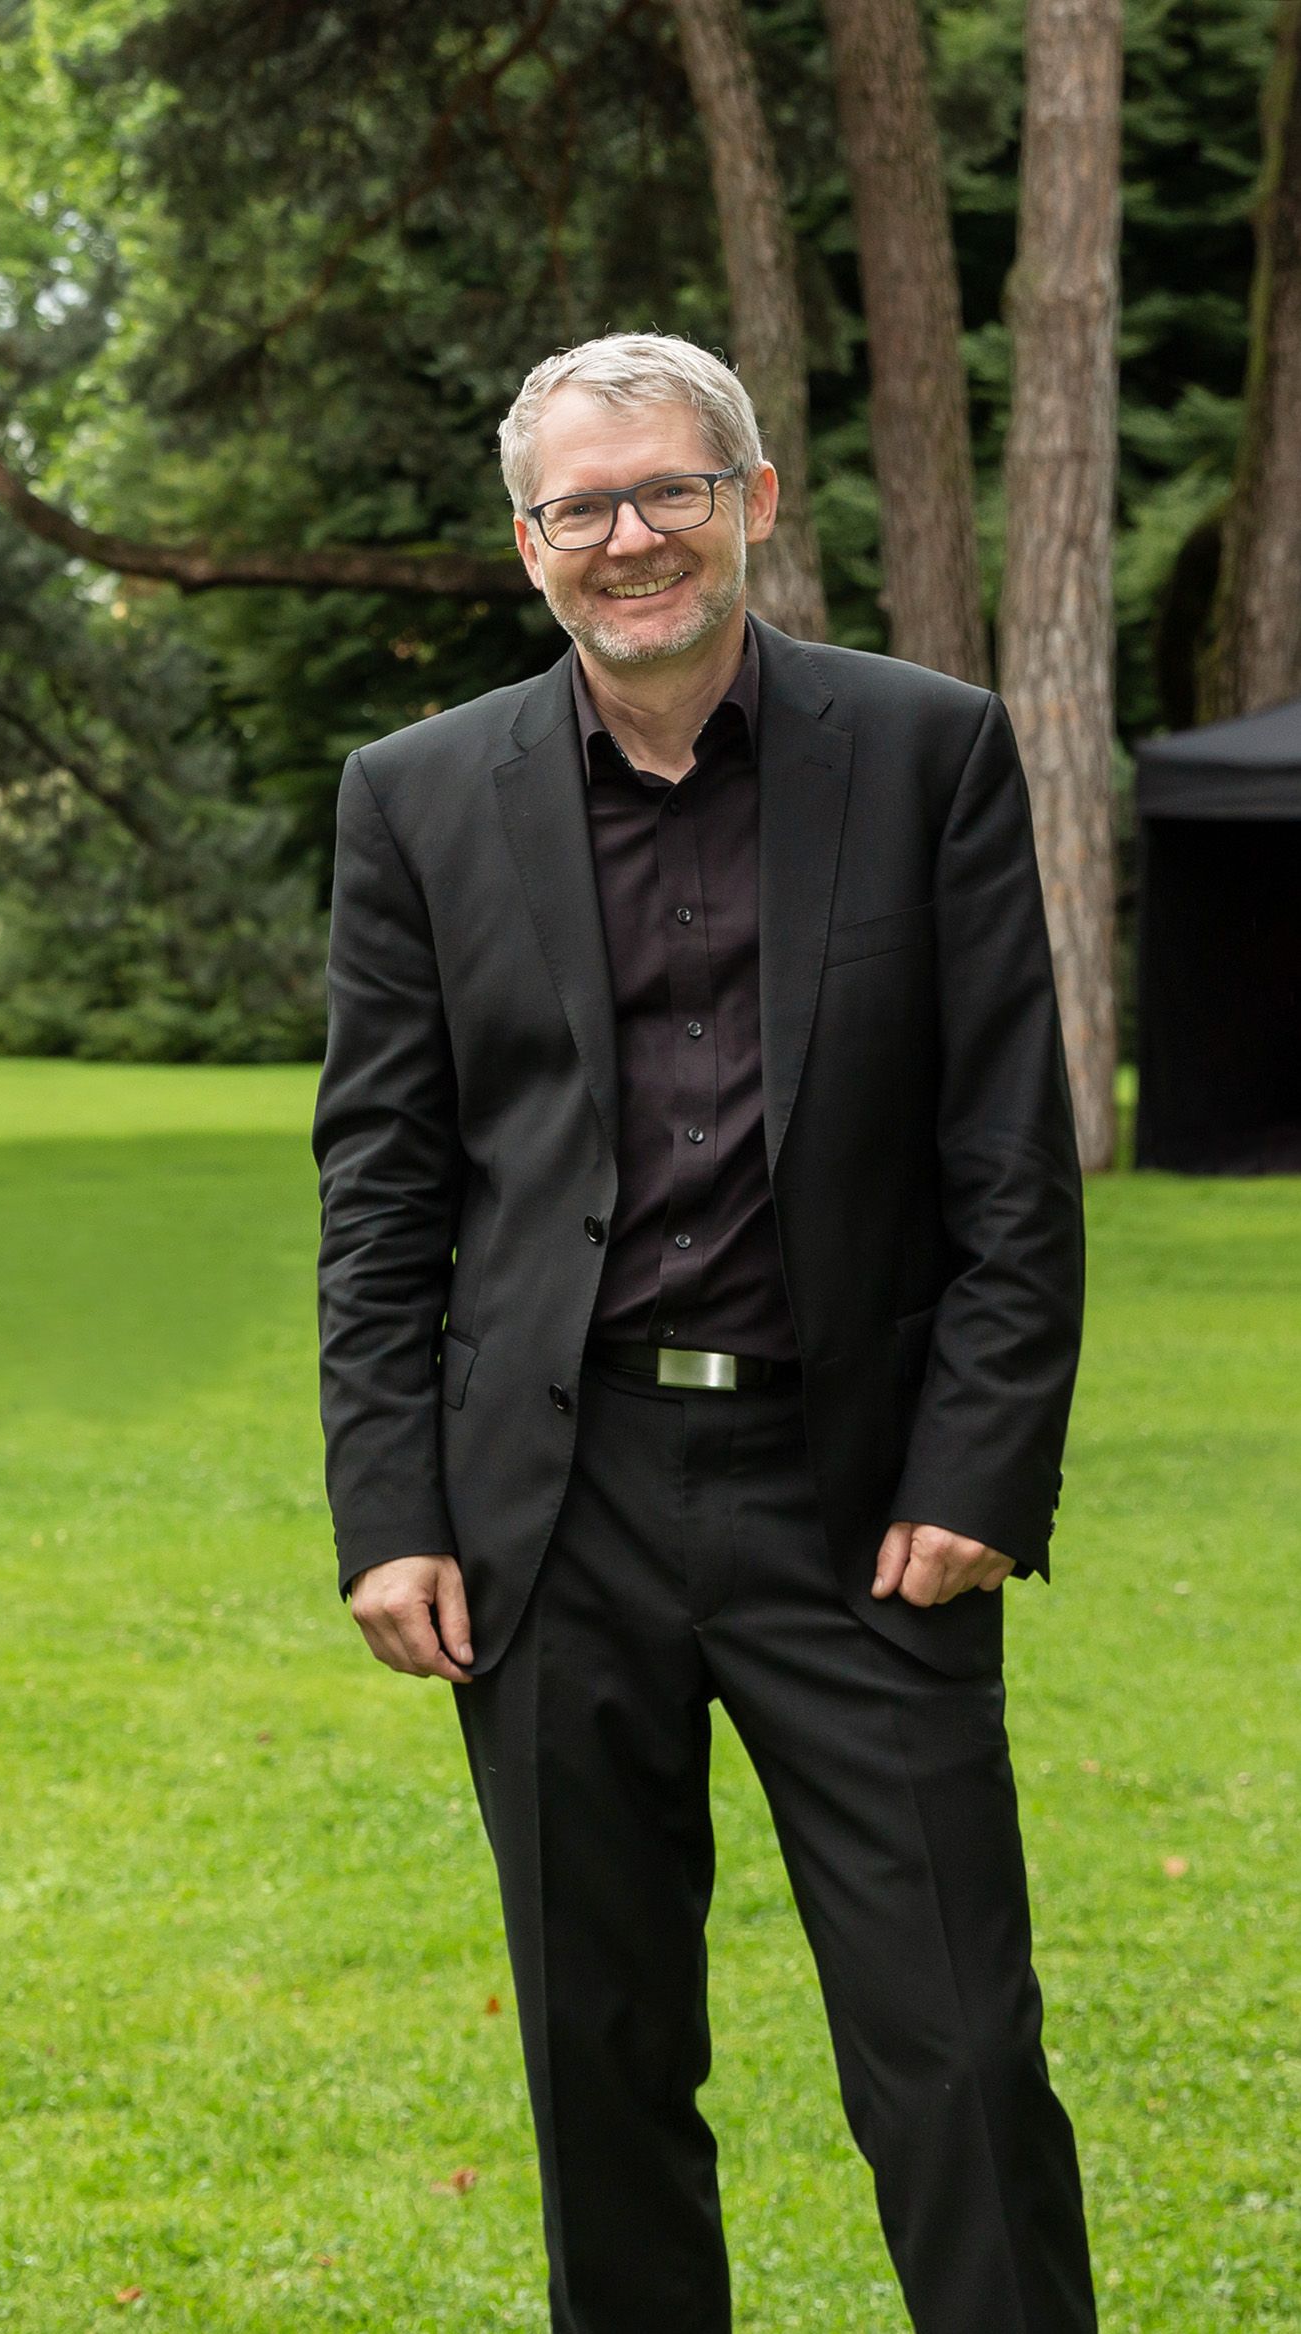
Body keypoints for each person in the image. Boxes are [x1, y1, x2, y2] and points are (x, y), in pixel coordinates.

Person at [313, 332, 1093, 2330]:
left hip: (860, 1517)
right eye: (583, 506)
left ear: (749, 503)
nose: (627, 535)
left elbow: (1008, 1150)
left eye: (666, 490)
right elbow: (385, 1189)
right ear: (528, 545)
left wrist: (975, 1468)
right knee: (601, 2062)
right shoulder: (415, 801)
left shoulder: (925, 752)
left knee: (954, 2053)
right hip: (549, 1520)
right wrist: (390, 1505)